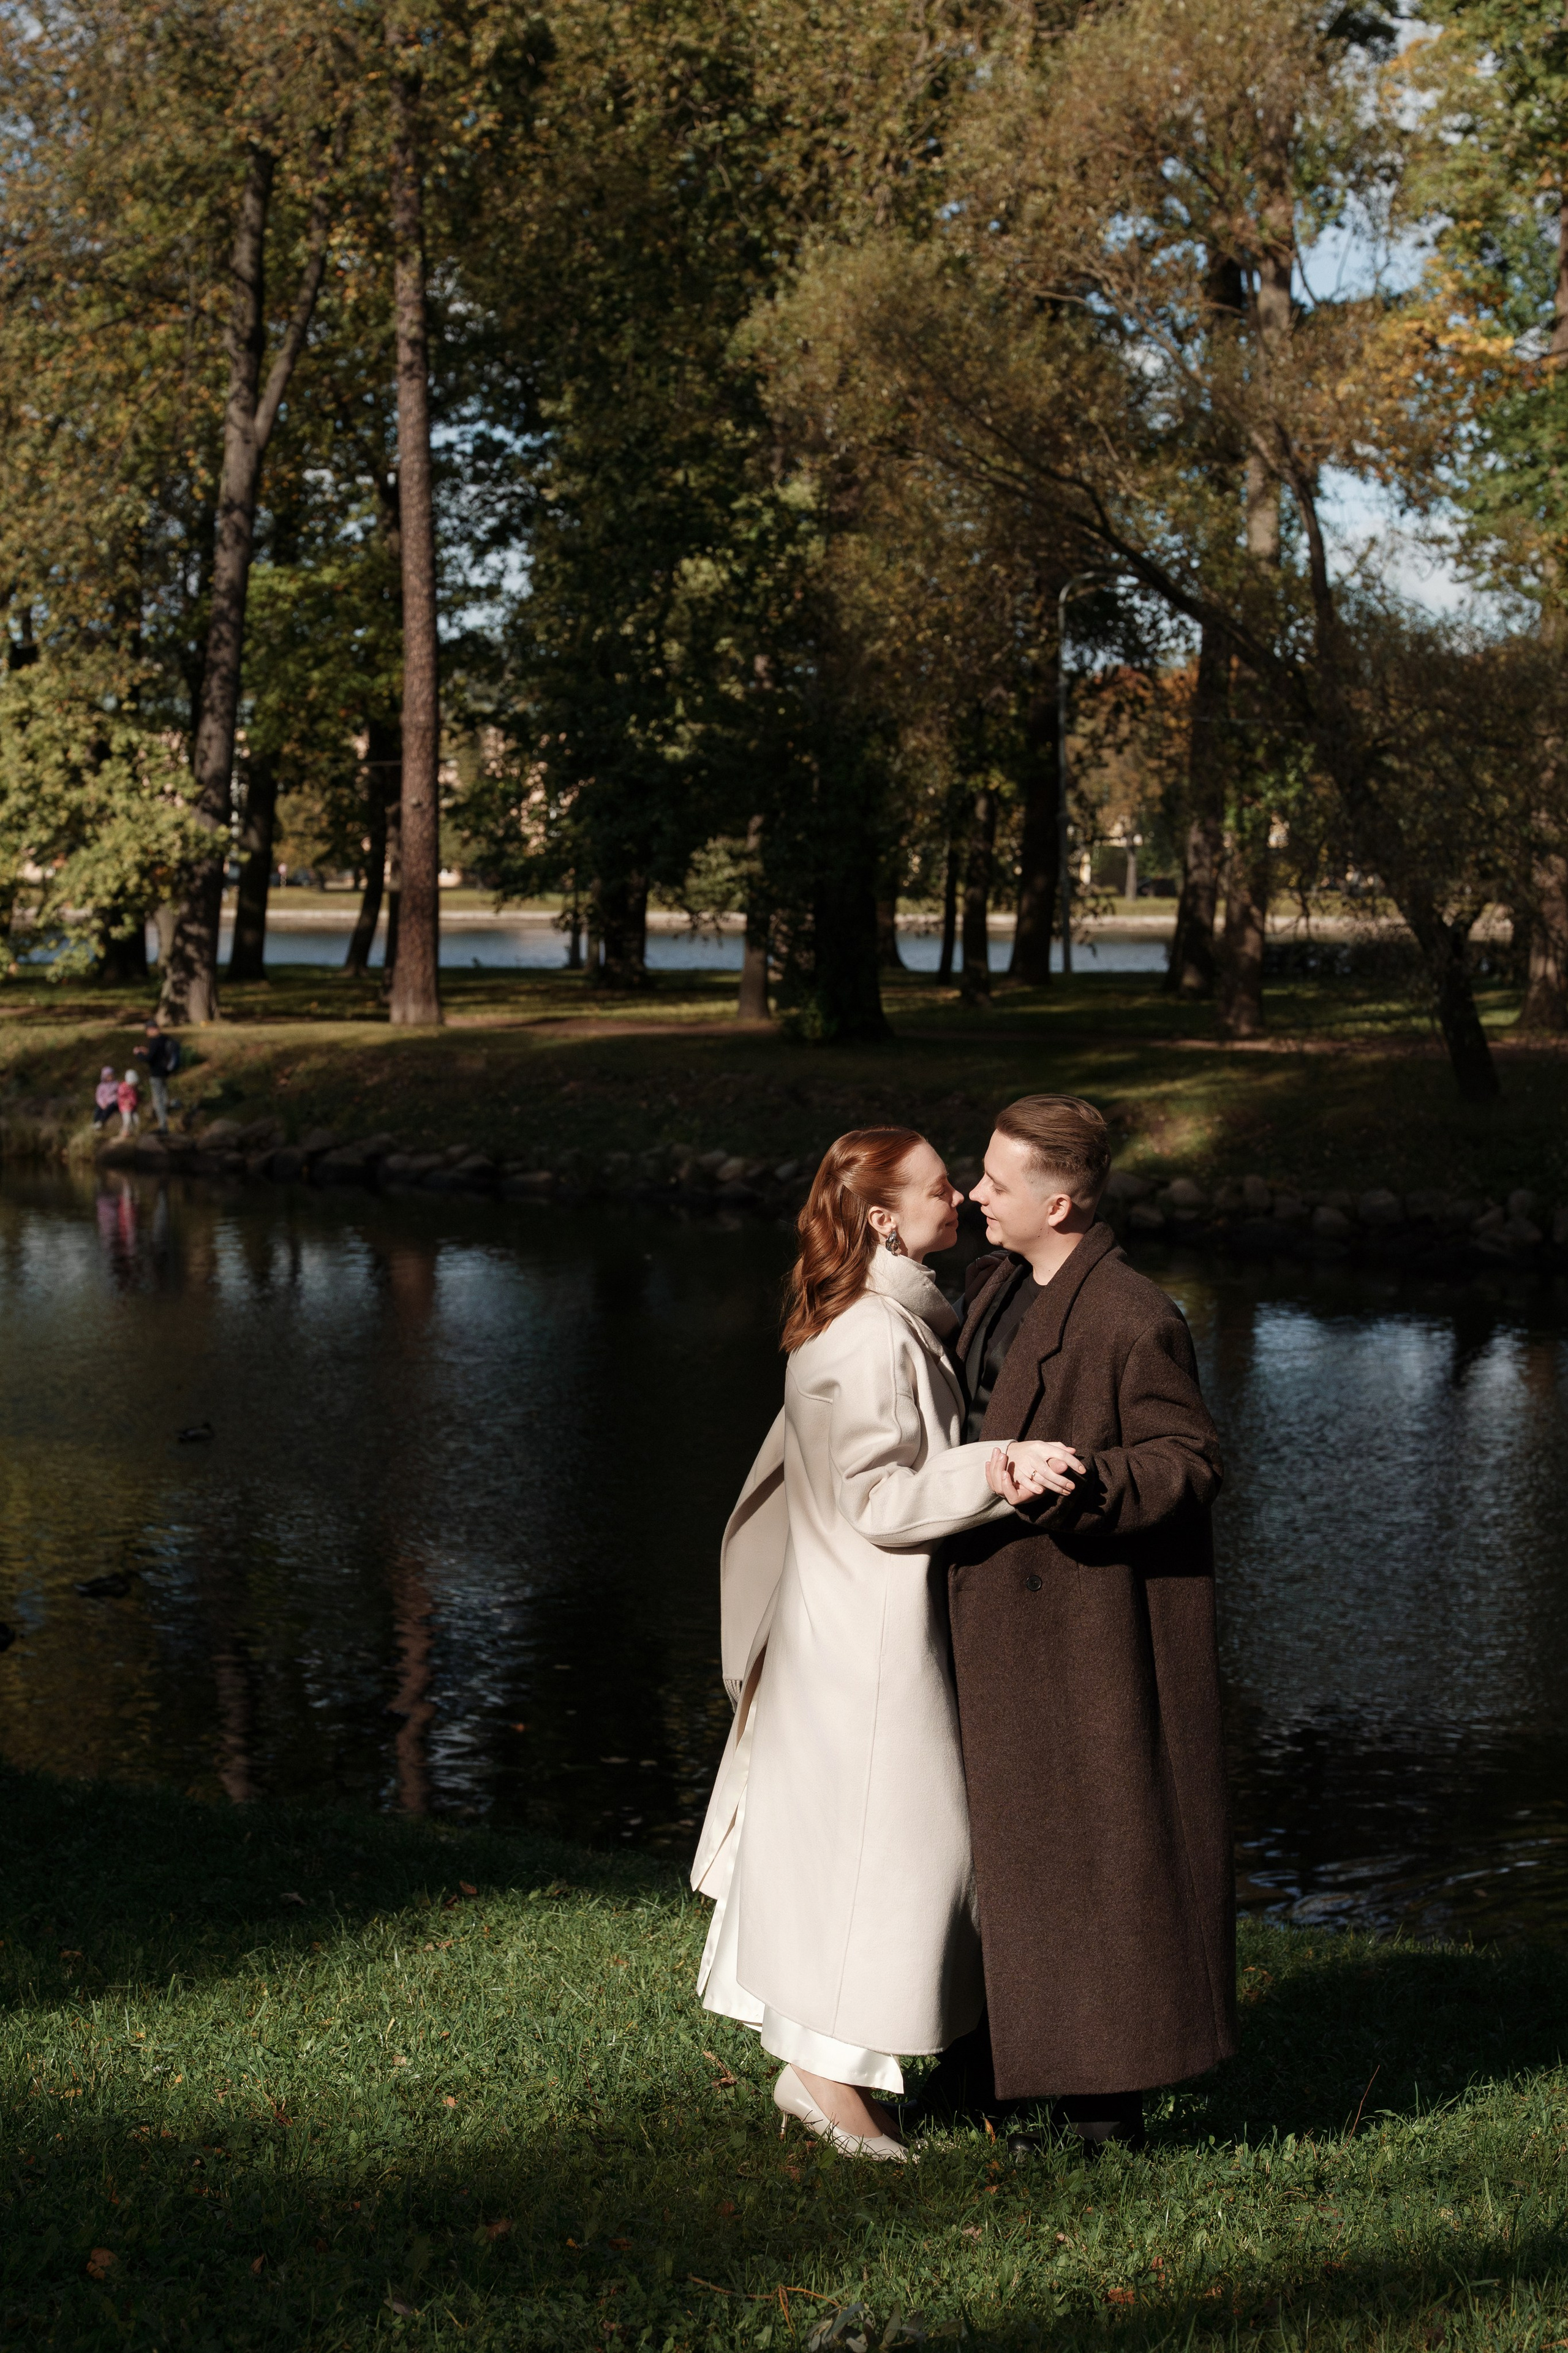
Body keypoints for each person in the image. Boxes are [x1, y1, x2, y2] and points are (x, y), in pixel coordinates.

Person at [691, 1128, 1083, 2162]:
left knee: (866, 1859)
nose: (958, 1197)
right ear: (880, 1218)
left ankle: (823, 2071)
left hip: (855, 1626)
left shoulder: (882, 1316)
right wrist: (1000, 1469)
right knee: (893, 1861)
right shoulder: (869, 1334)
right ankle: (828, 2081)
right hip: (863, 1644)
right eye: (940, 1187)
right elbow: (875, 1499)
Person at [928, 1093, 1234, 2154]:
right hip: (992, 1622)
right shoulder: (996, 1280)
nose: (974, 1195)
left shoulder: (1132, 1315)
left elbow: (1189, 1465)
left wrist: (1088, 1481)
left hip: (1081, 1633)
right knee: (1001, 1860)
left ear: (1058, 1203)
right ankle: (994, 2072)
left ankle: (1102, 2110)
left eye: (996, 1183)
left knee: (1095, 1861)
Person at [134, 1021, 179, 1134]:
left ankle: (163, 1127)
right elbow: (160, 1054)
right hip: (166, 1073)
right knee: (164, 1097)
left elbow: (149, 1059)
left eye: (147, 1031)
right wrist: (147, 1051)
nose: (147, 1033)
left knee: (159, 1101)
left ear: (151, 1029)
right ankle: (171, 1113)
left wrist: (138, 1053)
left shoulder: (154, 1041)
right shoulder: (165, 1038)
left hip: (157, 1074)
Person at [115, 1070, 140, 1136]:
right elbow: (120, 1097)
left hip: (133, 1107)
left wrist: (134, 1103)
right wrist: (125, 1101)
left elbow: (134, 1098)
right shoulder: (123, 1087)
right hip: (125, 1107)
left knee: (136, 1120)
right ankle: (124, 1132)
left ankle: (134, 1133)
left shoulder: (133, 1089)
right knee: (127, 1120)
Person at [91, 1066, 118, 1130]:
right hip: (103, 1103)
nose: (111, 1077)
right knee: (97, 1111)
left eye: (112, 1075)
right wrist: (102, 1104)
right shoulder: (101, 1086)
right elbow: (99, 1097)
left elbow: (117, 1094)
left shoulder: (116, 1084)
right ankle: (95, 1122)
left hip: (113, 1103)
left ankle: (102, 1121)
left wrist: (112, 1100)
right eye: (109, 1076)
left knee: (108, 1110)